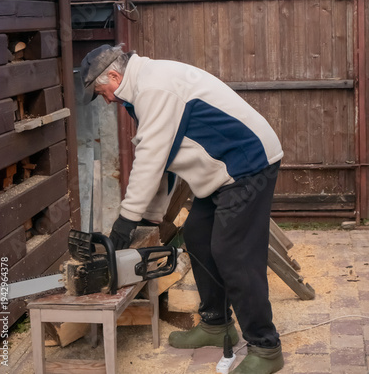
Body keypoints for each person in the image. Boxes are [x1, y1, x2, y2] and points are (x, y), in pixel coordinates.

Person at [80, 44, 284, 374]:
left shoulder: (154, 87)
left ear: (114, 77)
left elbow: (150, 160)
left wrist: (125, 222)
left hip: (248, 164)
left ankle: (266, 346)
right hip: (222, 171)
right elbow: (164, 160)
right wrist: (150, 216)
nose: (106, 100)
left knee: (233, 252)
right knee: (199, 235)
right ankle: (217, 325)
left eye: (103, 92)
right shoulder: (143, 87)